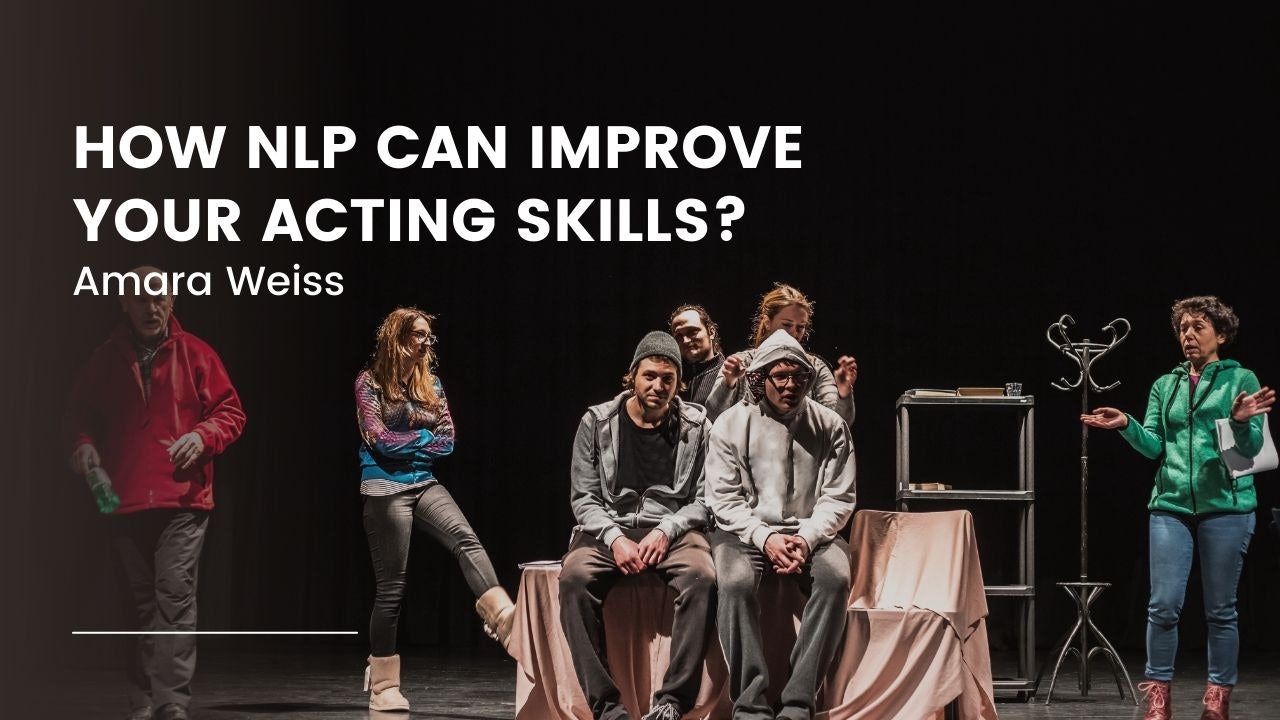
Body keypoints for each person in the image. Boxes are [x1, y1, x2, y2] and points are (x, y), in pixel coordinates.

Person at [1082, 295, 1274, 720]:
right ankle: (1158, 698)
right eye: (1183, 328)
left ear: (1219, 335)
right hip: (1169, 506)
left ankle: (1217, 698)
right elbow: (1154, 446)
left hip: (1227, 507)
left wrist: (1242, 420)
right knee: (1163, 605)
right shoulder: (1164, 385)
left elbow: (1253, 449)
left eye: (1198, 327)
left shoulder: (1239, 378)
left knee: (1220, 609)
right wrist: (1127, 426)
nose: (1188, 335)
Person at [66, 266, 246, 720]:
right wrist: (84, 448)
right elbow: (78, 419)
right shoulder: (105, 358)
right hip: (124, 499)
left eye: (159, 298)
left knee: (175, 593)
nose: (151, 307)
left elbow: (231, 412)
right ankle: (142, 698)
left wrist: (203, 436)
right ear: (123, 304)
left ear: (172, 301)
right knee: (136, 602)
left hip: (183, 500)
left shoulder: (196, 353)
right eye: (141, 299)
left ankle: (171, 701)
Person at [355, 307, 516, 712]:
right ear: (398, 338)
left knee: (465, 538)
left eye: (429, 336)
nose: (427, 342)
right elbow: (379, 440)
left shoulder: (433, 385)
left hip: (423, 482)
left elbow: (448, 441)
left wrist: (413, 437)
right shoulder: (369, 382)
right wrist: (421, 433)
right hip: (384, 487)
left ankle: (504, 619)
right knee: (392, 587)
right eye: (419, 335)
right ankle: (383, 687)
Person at [560, 331, 717, 720]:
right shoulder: (596, 422)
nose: (658, 386)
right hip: (608, 529)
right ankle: (608, 708)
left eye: (668, 379)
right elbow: (584, 498)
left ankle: (671, 702)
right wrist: (614, 538)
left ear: (679, 382)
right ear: (632, 375)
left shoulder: (698, 426)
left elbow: (706, 498)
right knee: (573, 580)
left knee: (703, 578)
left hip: (673, 530)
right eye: (650, 376)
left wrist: (668, 529)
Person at [705, 329, 856, 720]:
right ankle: (751, 704)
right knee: (735, 583)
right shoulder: (729, 424)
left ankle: (797, 702)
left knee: (836, 577)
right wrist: (765, 536)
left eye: (799, 377)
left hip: (813, 534)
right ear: (760, 379)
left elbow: (838, 498)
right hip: (745, 532)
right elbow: (724, 500)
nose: (791, 385)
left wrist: (804, 540)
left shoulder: (830, 426)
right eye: (781, 376)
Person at [704, 284, 857, 425]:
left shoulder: (815, 367)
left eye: (800, 327)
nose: (793, 332)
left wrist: (844, 393)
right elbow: (713, 416)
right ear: (767, 322)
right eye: (787, 324)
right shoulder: (741, 362)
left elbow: (837, 425)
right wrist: (728, 383)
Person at [669, 304, 725, 407]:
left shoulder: (730, 375)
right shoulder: (671, 378)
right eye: (679, 336)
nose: (685, 341)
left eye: (692, 331)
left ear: (711, 332)